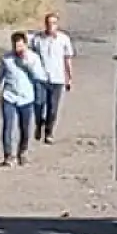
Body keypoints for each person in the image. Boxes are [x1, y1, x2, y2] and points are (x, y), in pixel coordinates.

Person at [0, 31, 44, 166]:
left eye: (20, 46)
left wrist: (26, 64)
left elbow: (40, 76)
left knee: (25, 128)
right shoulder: (6, 59)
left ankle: (23, 152)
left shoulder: (34, 58)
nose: (17, 49)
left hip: (27, 98)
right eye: (15, 46)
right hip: (9, 97)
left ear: (25, 44)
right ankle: (8, 155)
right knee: (8, 126)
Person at [29, 12, 74, 144]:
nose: (50, 26)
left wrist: (69, 77)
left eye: (53, 23)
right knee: (38, 103)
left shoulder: (64, 39)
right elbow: (31, 57)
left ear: (57, 24)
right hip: (40, 78)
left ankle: (49, 132)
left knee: (53, 108)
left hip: (57, 79)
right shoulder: (37, 39)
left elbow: (67, 59)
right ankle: (39, 124)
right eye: (48, 23)